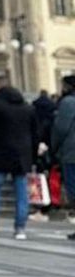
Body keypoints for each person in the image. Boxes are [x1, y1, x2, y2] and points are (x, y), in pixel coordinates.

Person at [0, 80, 39, 241]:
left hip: (0, 152)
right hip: (22, 155)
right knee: (21, 193)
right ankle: (20, 228)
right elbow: (35, 134)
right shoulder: (28, 109)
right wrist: (31, 155)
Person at [51, 75, 75, 239]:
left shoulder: (68, 102)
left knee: (73, 189)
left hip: (72, 152)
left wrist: (54, 148)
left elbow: (61, 128)